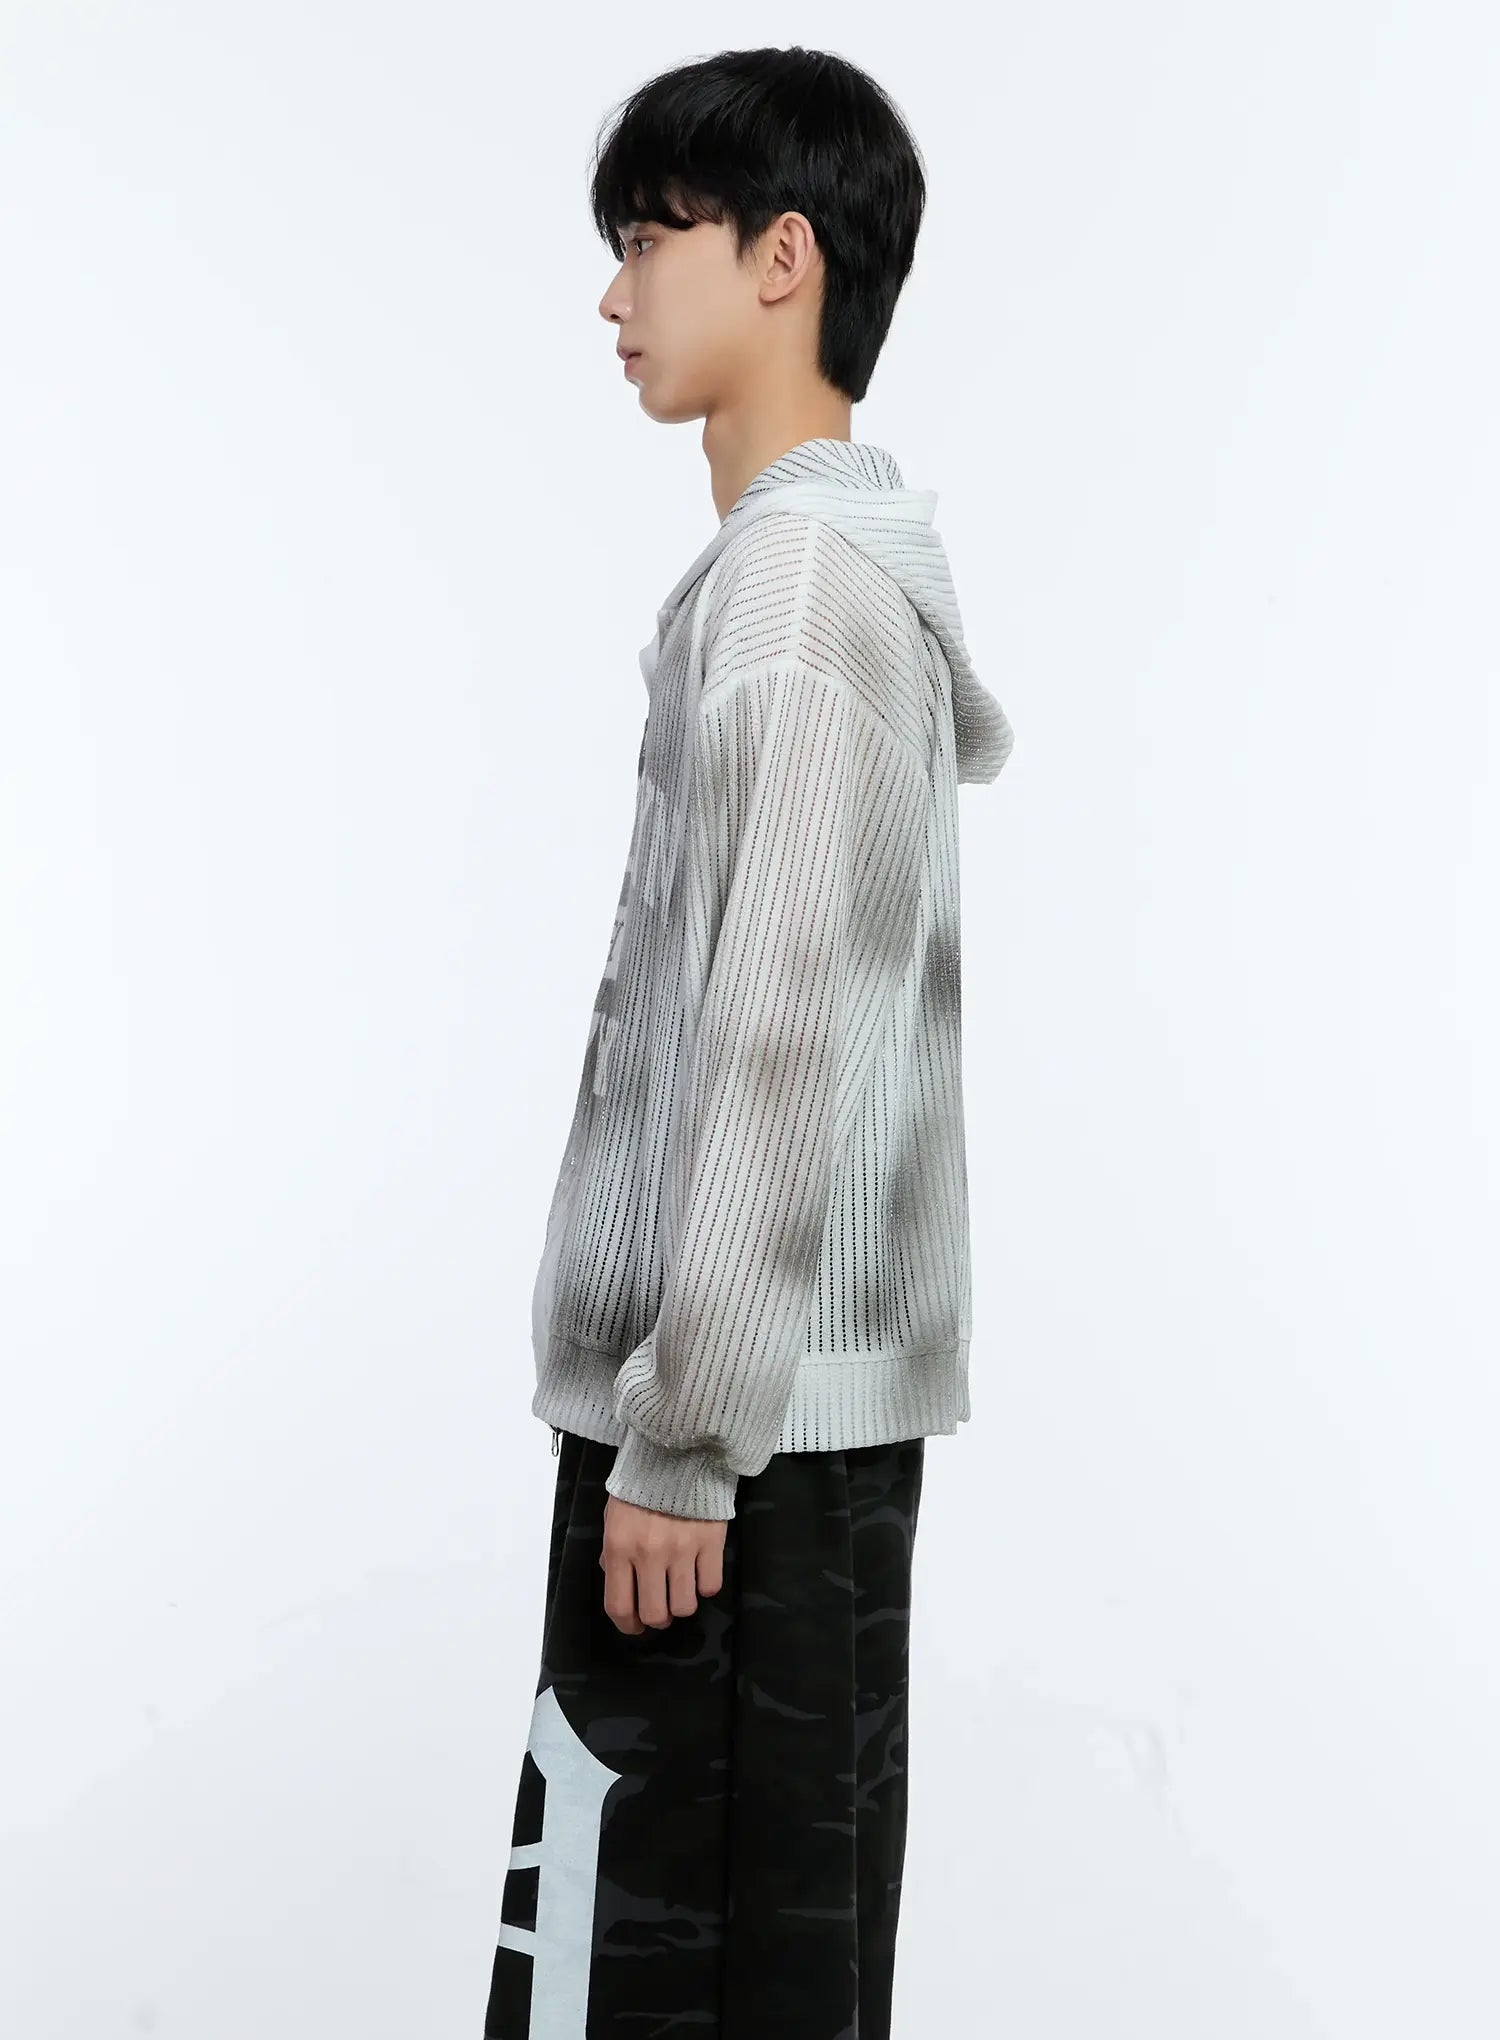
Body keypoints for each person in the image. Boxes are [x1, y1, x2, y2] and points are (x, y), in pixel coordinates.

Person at [482, 43, 1015, 2040]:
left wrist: (684, 1446)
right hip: (781, 1444)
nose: (612, 295)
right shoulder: (816, 586)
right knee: (771, 1973)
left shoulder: (793, 601)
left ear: (784, 259)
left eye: (651, 239)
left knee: (644, 1983)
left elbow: (779, 1046)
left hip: (735, 1456)